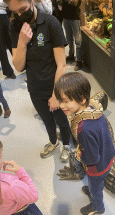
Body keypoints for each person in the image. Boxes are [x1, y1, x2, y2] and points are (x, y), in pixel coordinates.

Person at [5, 0, 71, 162]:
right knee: (46, 120)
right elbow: (19, 67)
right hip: (35, 88)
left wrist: (56, 95)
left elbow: (61, 65)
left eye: (23, 9)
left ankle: (67, 145)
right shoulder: (15, 27)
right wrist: (22, 42)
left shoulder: (50, 23)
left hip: (55, 86)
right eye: (15, 12)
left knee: (61, 120)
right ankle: (53, 142)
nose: (20, 15)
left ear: (32, 1)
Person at [54, 72, 115, 215]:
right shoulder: (94, 109)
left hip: (97, 167)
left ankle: (98, 206)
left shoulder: (83, 129)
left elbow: (92, 159)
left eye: (66, 101)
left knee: (96, 190)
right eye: (60, 100)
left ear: (82, 99)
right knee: (95, 184)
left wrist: (80, 155)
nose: (61, 105)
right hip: (109, 155)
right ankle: (92, 188)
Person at [0, 140, 50, 215]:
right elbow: (33, 196)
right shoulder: (11, 185)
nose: (2, 157)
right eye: (0, 155)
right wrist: (20, 171)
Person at [62, 0, 83, 71]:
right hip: (65, 17)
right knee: (69, 39)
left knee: (78, 41)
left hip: (75, 18)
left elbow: (77, 3)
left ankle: (79, 61)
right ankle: (71, 55)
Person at [0, 0, 16, 79]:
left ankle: (21, 62)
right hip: (2, 14)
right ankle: (8, 71)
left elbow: (7, 3)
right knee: (1, 45)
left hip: (4, 15)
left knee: (10, 40)